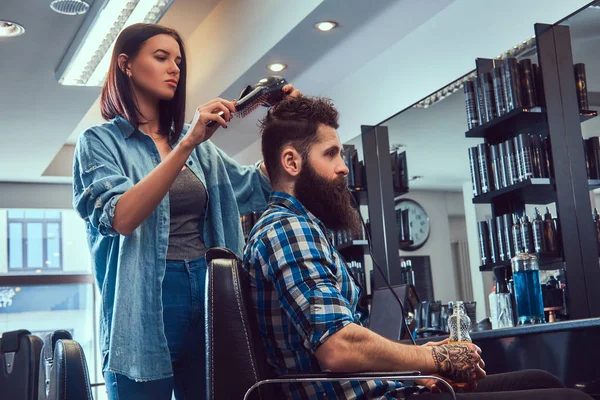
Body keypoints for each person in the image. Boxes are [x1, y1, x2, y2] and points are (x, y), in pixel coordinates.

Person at [242, 95, 593, 400]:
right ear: (292, 162)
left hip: (385, 390)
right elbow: (338, 347)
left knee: (541, 380)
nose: (343, 167)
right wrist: (437, 360)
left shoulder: (299, 227)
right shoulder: (287, 230)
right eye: (331, 153)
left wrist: (417, 361)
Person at [72, 23, 299, 400]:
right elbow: (121, 217)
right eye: (161, 58)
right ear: (126, 64)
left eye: (178, 61)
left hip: (211, 291)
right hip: (145, 301)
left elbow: (258, 187)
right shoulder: (99, 142)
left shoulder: (201, 150)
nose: (174, 68)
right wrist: (189, 141)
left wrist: (287, 125)